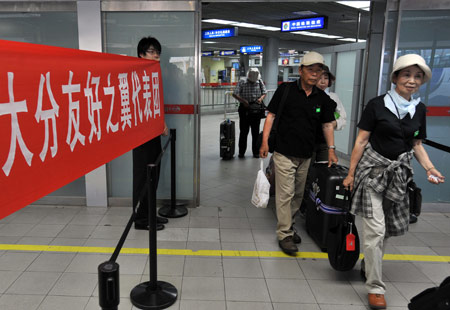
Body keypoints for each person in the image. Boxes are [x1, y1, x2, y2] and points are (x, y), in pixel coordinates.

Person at [342, 54, 445, 310]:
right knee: (374, 229)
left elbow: (416, 145)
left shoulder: (419, 109)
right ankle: (375, 287)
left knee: (384, 229)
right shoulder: (377, 105)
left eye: (417, 76)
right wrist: (351, 173)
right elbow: (361, 141)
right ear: (396, 77)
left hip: (397, 176)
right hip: (371, 172)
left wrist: (430, 168)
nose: (412, 81)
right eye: (406, 75)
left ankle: (369, 264)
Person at [259, 51, 338, 255]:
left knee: (298, 194)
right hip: (284, 151)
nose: (315, 74)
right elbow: (271, 116)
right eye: (310, 70)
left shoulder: (322, 98)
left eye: (318, 71)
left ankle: (289, 225)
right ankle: (284, 234)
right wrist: (265, 142)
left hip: (306, 154)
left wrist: (331, 149)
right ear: (301, 70)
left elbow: (328, 125)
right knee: (285, 194)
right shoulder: (286, 90)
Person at [133, 36, 169, 231]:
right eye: (151, 51)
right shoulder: (135, 75)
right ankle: (141, 220)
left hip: (153, 133)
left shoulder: (153, 74)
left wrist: (161, 123)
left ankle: (149, 214)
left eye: (157, 52)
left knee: (153, 176)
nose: (156, 55)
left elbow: (155, 104)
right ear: (141, 54)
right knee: (144, 177)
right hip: (140, 136)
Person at [314, 65, 347, 161]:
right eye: (320, 78)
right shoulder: (309, 96)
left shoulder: (333, 97)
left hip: (325, 142)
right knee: (308, 172)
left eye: (326, 78)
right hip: (309, 141)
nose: (323, 82)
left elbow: (342, 117)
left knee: (324, 169)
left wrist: (333, 123)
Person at [232, 68, 267, 158]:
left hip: (256, 108)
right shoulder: (242, 81)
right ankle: (241, 152)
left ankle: (255, 152)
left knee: (255, 132)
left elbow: (264, 92)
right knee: (244, 132)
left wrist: (260, 99)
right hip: (244, 109)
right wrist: (243, 101)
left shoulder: (259, 81)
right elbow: (235, 94)